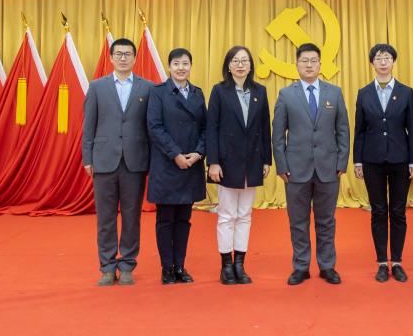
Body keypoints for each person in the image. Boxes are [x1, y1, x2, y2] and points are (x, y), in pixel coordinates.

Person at [272, 42, 350, 286]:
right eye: (304, 60)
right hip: (295, 170)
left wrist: (341, 162)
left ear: (320, 64)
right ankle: (301, 266)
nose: (309, 65)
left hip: (329, 168)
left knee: (326, 221)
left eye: (313, 60)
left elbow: (343, 130)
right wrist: (282, 165)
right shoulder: (286, 95)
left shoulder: (334, 93)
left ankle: (327, 266)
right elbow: (277, 135)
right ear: (296, 65)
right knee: (298, 222)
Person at [82, 37, 154, 287]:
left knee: (132, 216)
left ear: (134, 58)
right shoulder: (97, 87)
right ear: (111, 58)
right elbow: (88, 126)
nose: (123, 58)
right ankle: (107, 266)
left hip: (135, 161)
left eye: (128, 54)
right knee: (105, 218)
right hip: (104, 160)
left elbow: (151, 127)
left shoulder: (147, 88)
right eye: (119, 54)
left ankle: (127, 266)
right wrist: (87, 158)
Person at [353, 43, 413, 283]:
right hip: (372, 160)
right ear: (372, 63)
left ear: (393, 62)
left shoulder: (406, 92)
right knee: (379, 211)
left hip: (400, 160)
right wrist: (357, 160)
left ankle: (398, 262)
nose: (383, 62)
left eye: (387, 58)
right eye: (378, 58)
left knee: (398, 211)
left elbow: (412, 128)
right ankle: (382, 262)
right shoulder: (364, 93)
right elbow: (359, 130)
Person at [206, 45, 272, 285]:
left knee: (245, 215)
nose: (241, 65)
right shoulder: (219, 91)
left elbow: (265, 126)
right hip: (226, 162)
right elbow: (211, 128)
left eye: (245, 60)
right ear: (228, 65)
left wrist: (267, 159)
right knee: (226, 215)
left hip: (252, 161)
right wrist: (213, 162)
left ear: (251, 65)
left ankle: (240, 264)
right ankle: (226, 266)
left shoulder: (260, 91)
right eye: (236, 61)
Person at [146, 48, 207, 285]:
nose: (181, 68)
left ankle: (180, 266)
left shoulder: (198, 93)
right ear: (169, 66)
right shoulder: (158, 92)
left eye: (185, 64)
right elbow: (154, 127)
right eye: (176, 64)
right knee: (165, 219)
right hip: (167, 164)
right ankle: (167, 268)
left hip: (191, 164)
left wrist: (198, 153)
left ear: (191, 66)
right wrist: (176, 154)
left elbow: (206, 128)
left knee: (184, 219)